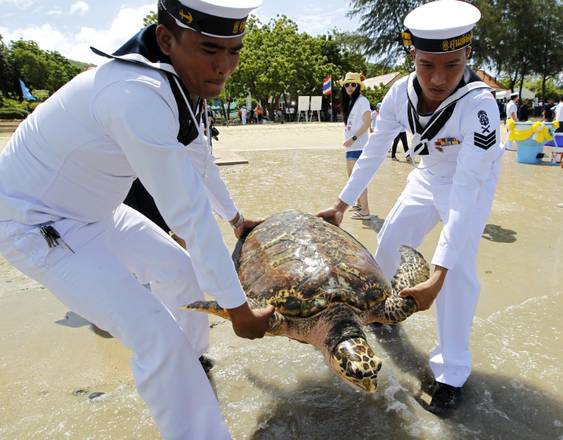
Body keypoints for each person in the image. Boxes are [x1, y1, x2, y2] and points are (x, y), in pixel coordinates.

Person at [0, 0, 275, 438]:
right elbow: (187, 213)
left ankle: (191, 365)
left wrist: (237, 220)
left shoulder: (182, 83)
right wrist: (238, 310)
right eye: (209, 49)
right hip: (36, 223)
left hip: (98, 210)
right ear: (166, 39)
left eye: (234, 50)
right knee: (154, 338)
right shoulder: (135, 95)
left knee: (180, 272)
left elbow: (201, 163)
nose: (225, 66)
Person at [318, 0, 503, 414]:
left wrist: (437, 275)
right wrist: (342, 203)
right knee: (387, 246)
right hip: (427, 175)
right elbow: (374, 151)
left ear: (467, 56)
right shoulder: (400, 93)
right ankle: (381, 317)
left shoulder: (480, 106)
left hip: (469, 183)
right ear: (413, 57)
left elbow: (467, 192)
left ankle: (451, 373)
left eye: (452, 66)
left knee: (456, 275)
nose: (438, 78)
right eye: (427, 65)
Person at [340, 72, 372, 220]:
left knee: (358, 178)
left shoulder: (362, 101)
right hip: (351, 146)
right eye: (347, 84)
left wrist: (353, 138)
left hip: (358, 146)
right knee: (352, 177)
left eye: (353, 84)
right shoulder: (351, 102)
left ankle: (365, 211)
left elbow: (367, 123)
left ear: (358, 86)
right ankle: (359, 204)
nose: (350, 87)